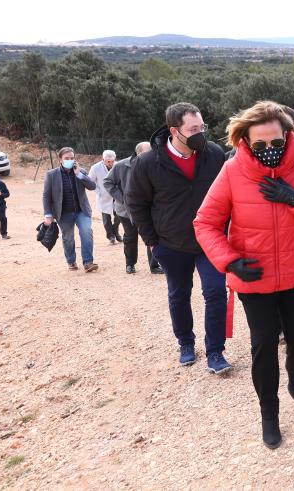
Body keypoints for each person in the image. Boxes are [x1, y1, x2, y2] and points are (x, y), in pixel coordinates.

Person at [193, 101, 294, 449]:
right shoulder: (233, 171)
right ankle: (269, 413)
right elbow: (205, 223)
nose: (269, 151)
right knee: (263, 343)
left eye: (276, 143)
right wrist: (229, 261)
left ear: (289, 135)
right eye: (259, 145)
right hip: (255, 276)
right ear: (245, 142)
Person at [127, 102, 232, 374]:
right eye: (193, 129)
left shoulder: (214, 154)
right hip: (170, 244)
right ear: (175, 131)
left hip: (210, 240)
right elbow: (136, 203)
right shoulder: (148, 162)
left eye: (202, 127)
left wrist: (227, 229)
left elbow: (228, 194)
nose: (201, 134)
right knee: (178, 295)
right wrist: (152, 241)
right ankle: (186, 343)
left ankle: (215, 351)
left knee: (216, 293)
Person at [104, 141, 162, 274]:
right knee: (130, 236)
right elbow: (107, 182)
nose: (150, 155)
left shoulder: (155, 164)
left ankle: (154, 265)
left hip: (149, 208)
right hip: (126, 210)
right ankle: (130, 264)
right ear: (138, 153)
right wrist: (122, 198)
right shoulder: (121, 165)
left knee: (152, 235)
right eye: (147, 152)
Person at [42, 147, 98, 272]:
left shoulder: (80, 171)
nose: (70, 160)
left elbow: (92, 186)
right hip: (63, 213)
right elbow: (46, 195)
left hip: (81, 211)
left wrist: (79, 175)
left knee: (86, 232)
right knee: (68, 238)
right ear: (60, 160)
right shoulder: (51, 175)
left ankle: (88, 262)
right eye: (66, 158)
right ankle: (71, 261)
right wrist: (48, 214)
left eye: (72, 158)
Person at [89, 150, 123, 246]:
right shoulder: (95, 168)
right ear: (103, 159)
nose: (110, 163)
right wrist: (98, 192)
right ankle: (111, 236)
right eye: (108, 161)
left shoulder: (118, 166)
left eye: (112, 161)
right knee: (106, 219)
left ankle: (115, 232)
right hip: (103, 197)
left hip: (117, 195)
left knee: (119, 216)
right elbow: (91, 181)